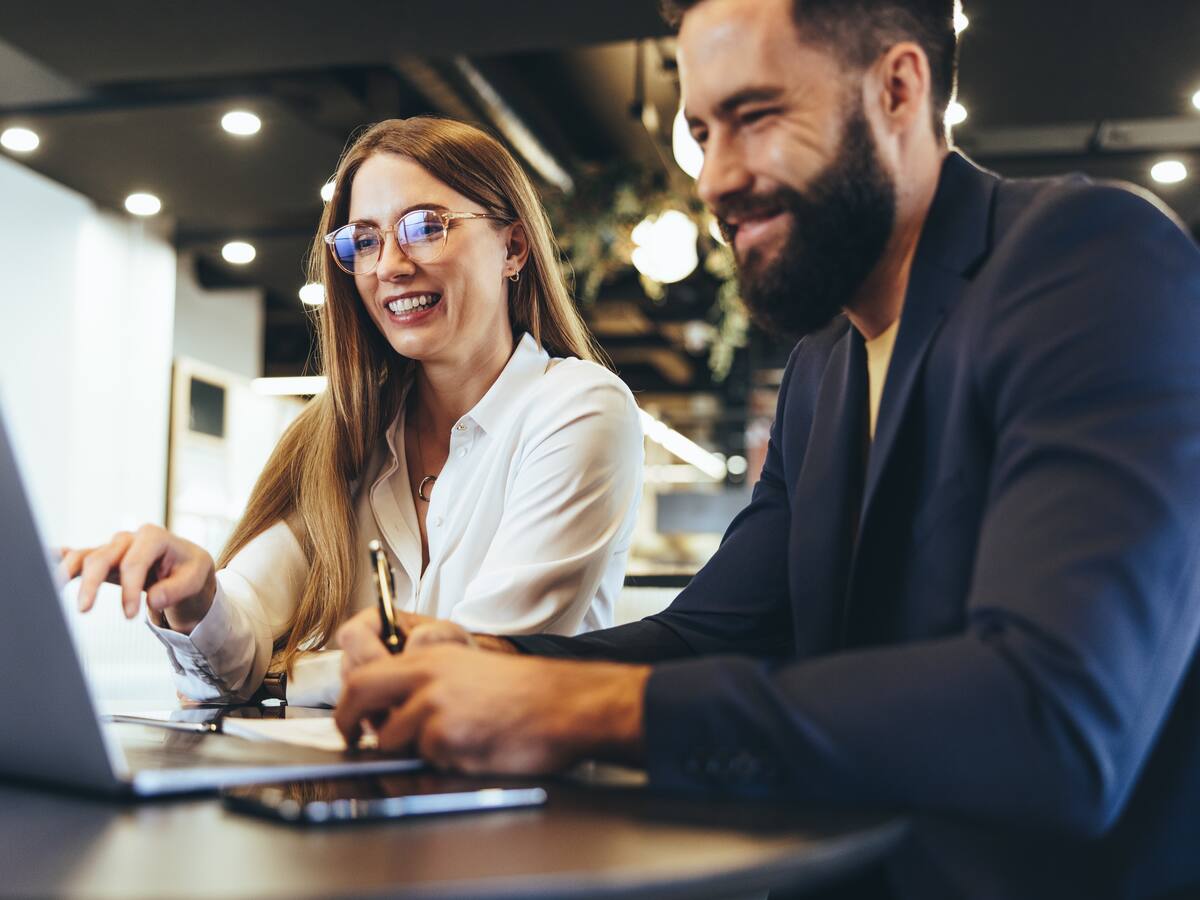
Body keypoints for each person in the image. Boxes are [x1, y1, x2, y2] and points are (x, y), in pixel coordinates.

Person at [334, 1, 1200, 897]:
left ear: (898, 89)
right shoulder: (823, 361)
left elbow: (1054, 717)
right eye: (702, 134)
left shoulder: (1090, 261)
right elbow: (713, 633)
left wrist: (585, 707)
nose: (714, 179)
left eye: (754, 117)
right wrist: (491, 659)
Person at [60, 116, 643, 707]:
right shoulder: (344, 434)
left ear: (512, 247)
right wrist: (197, 598)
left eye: (425, 227)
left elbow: (476, 668)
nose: (389, 265)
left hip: (520, 768)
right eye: (364, 241)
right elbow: (240, 631)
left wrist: (283, 678)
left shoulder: (579, 408)